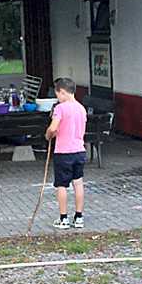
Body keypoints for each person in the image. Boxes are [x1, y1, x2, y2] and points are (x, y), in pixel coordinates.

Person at [46, 77, 88, 229]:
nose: (57, 97)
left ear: (62, 92)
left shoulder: (60, 108)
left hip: (63, 152)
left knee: (62, 185)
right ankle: (79, 217)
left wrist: (48, 135)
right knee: (78, 182)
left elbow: (53, 128)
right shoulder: (81, 108)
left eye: (57, 94)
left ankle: (63, 218)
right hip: (79, 150)